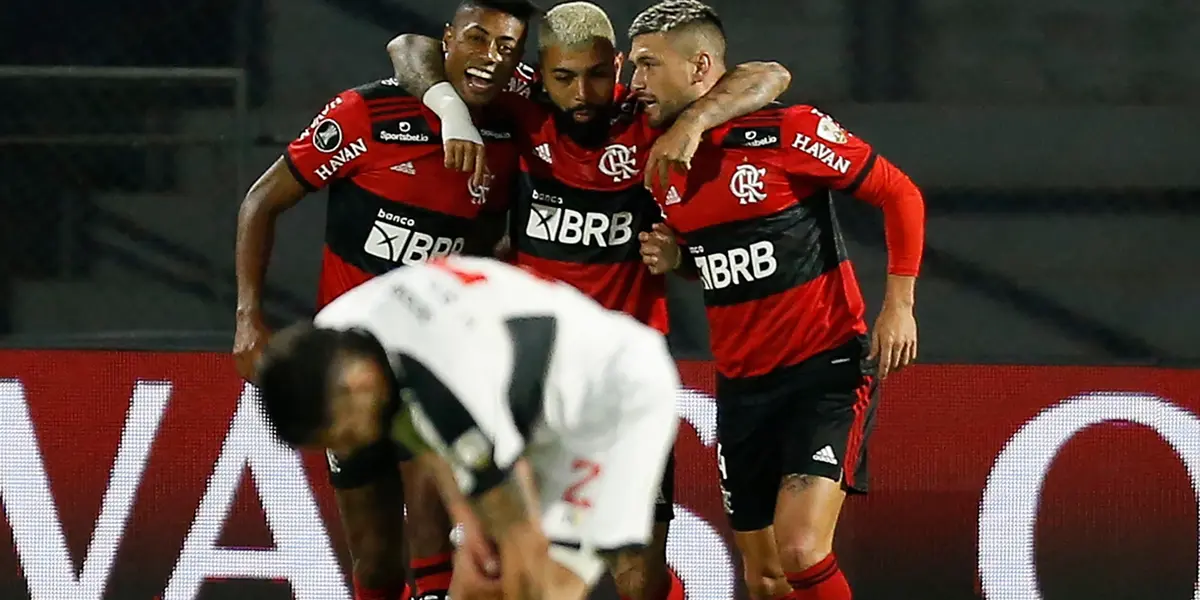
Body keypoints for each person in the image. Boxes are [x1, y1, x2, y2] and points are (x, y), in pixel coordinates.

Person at [384, 3, 790, 598]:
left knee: (635, 573)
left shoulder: (645, 115)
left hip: (622, 382)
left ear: (618, 67)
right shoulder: (523, 109)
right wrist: (452, 113)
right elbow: (408, 48)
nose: (583, 92)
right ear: (539, 74)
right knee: (507, 557)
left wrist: (693, 122)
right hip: (528, 378)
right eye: (565, 77)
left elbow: (771, 75)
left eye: (598, 75)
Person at [232, 2, 539, 598]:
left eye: (508, 48)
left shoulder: (510, 124)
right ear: (448, 39)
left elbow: (486, 230)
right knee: (374, 562)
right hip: (350, 368)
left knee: (432, 533)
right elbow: (260, 203)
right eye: (477, 40)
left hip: (433, 364)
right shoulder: (366, 115)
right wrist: (248, 317)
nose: (492, 58)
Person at [629, 2, 926, 599]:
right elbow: (730, 265)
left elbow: (900, 194)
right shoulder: (655, 152)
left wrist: (900, 304)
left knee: (800, 549)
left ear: (700, 67)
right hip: (741, 386)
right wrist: (681, 261)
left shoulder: (786, 133)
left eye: (647, 65)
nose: (632, 82)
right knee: (764, 576)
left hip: (825, 370)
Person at [255, 255, 681, 600]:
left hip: (612, 401)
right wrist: (467, 520)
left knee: (544, 585)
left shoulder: (446, 379)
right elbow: (424, 432)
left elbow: (518, 532)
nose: (351, 449)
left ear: (356, 385)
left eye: (343, 436)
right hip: (523, 396)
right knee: (477, 584)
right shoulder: (342, 333)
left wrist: (497, 538)